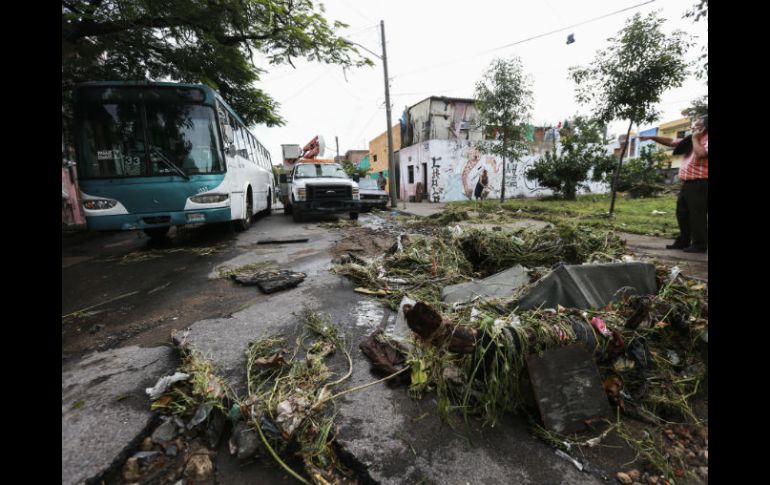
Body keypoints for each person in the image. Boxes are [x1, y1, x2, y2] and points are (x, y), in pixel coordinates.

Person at [639, 115, 708, 253]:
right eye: (694, 126)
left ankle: (700, 244)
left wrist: (695, 138)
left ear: (705, 127)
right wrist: (652, 137)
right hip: (688, 183)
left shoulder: (703, 140)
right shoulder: (690, 140)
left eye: (697, 126)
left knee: (697, 214)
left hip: (701, 183)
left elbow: (701, 154)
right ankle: (684, 240)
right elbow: (671, 141)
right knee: (682, 212)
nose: (693, 128)